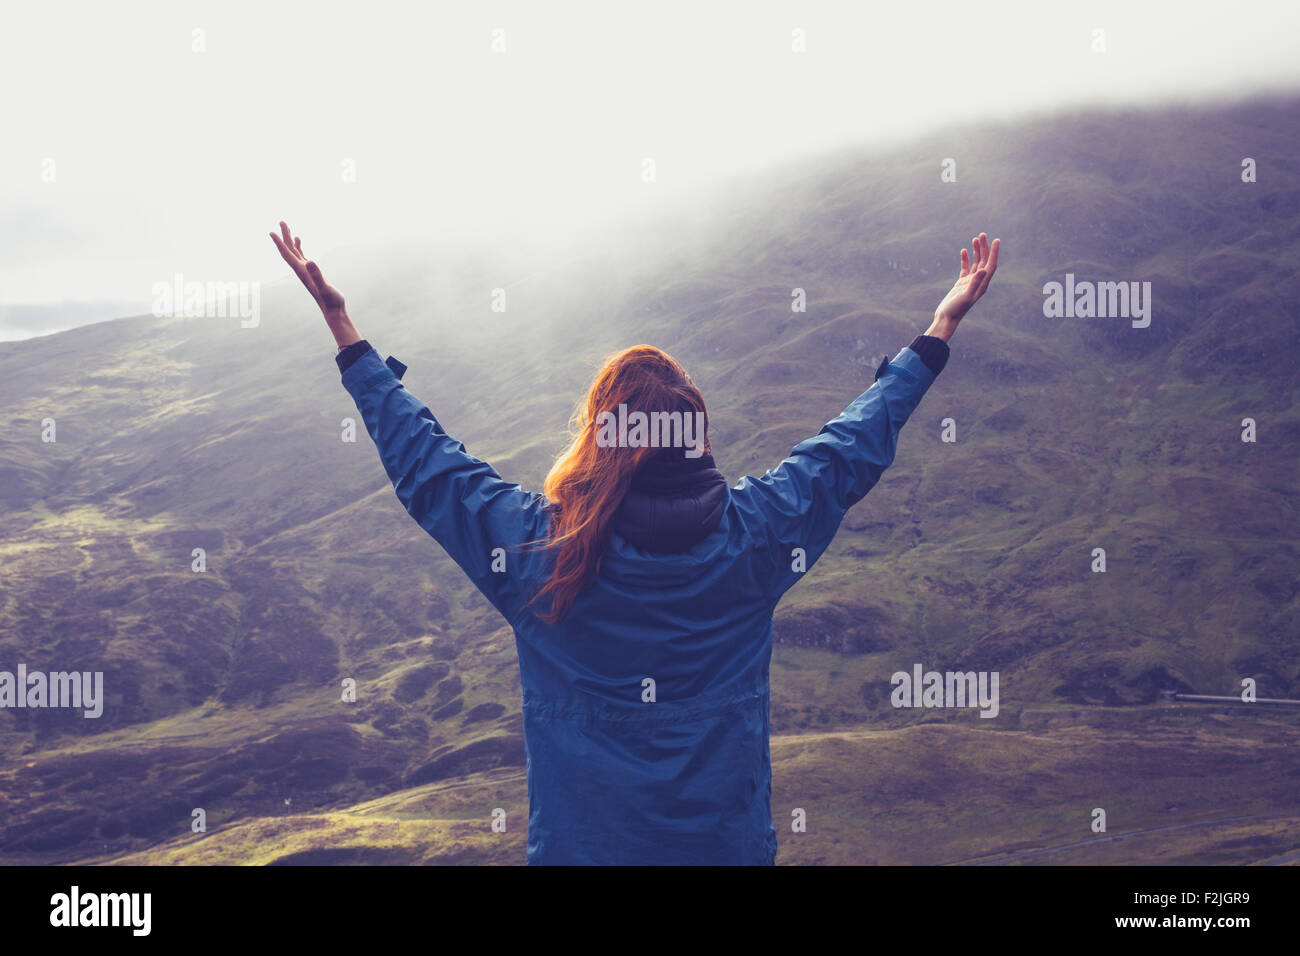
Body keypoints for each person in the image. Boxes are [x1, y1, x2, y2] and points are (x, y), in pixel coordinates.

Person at [270, 221, 1000, 864]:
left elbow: (428, 467)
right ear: (695, 434)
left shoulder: (538, 554)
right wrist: (938, 331)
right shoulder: (757, 537)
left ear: (599, 438)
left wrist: (348, 335)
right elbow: (849, 450)